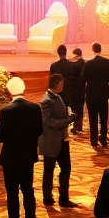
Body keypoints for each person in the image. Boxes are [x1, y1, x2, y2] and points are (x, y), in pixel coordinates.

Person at [0, 76, 44, 218]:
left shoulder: (6, 111)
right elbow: (39, 131)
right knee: (28, 191)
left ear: (9, 91)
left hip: (10, 159)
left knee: (12, 194)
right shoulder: (35, 108)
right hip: (28, 156)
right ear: (23, 89)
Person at [40, 73, 76, 207]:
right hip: (51, 141)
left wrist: (69, 115)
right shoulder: (46, 100)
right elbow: (48, 121)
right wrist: (67, 121)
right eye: (61, 83)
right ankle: (47, 198)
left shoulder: (57, 97)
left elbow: (61, 112)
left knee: (66, 168)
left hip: (61, 139)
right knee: (49, 170)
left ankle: (64, 198)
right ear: (57, 84)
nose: (63, 85)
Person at [83, 43, 109, 152]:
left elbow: (83, 79)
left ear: (92, 49)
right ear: (101, 50)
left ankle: (94, 140)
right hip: (103, 94)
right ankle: (103, 138)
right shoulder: (107, 63)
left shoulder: (88, 64)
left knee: (93, 118)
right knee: (103, 117)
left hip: (91, 94)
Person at [67, 47, 86, 134]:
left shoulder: (76, 64)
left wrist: (70, 61)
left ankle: (76, 126)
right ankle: (78, 126)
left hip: (75, 89)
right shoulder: (83, 63)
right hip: (81, 89)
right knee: (79, 107)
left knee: (75, 107)